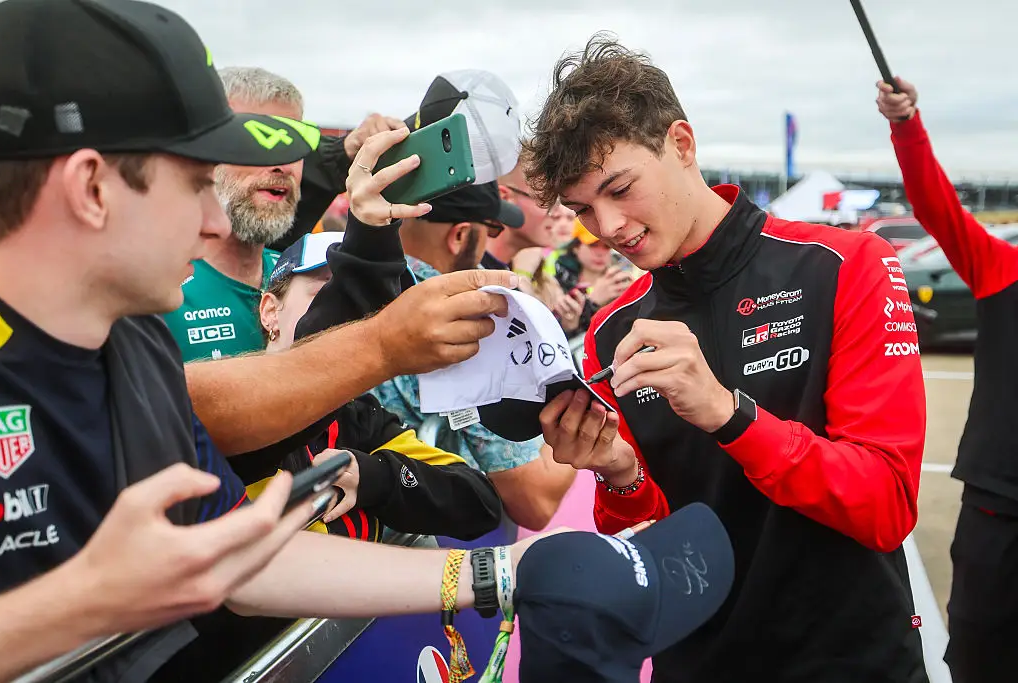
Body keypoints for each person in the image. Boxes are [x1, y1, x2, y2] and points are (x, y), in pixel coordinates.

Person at [0, 1, 542, 679]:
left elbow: (239, 561)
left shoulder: (135, 347)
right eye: (196, 184)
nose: (212, 220)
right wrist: (83, 602)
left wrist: (501, 570)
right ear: (91, 189)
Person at [525, 35, 928, 682]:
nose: (609, 225)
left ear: (682, 144)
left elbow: (886, 505)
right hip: (699, 663)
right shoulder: (610, 330)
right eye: (582, 210)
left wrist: (728, 414)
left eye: (620, 188)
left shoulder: (845, 266)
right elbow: (645, 549)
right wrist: (620, 473)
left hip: (852, 659)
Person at [877, 76, 1018, 683]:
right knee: (978, 651)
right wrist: (906, 125)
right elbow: (937, 207)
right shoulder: (1003, 268)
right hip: (998, 502)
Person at [251, 230, 502, 543]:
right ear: (270, 311)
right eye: (329, 295)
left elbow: (480, 503)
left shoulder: (357, 415)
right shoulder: (236, 406)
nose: (351, 318)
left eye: (372, 310)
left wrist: (373, 476)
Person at [161, 66, 404, 361]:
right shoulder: (154, 294)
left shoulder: (304, 277)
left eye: (293, 143)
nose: (281, 164)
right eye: (256, 139)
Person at [372, 182, 577, 530]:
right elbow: (535, 501)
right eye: (491, 230)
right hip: (424, 540)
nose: (490, 244)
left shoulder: (346, 279)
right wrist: (582, 417)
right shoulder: (462, 325)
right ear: (459, 236)